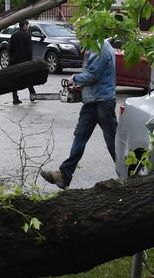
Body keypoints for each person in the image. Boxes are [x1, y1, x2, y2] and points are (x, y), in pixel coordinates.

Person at [40, 37, 117, 189]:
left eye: (82, 33)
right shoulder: (94, 45)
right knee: (80, 136)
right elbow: (93, 76)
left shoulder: (99, 46)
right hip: (92, 101)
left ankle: (129, 174)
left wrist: (73, 79)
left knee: (112, 141)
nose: (80, 38)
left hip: (102, 101)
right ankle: (64, 175)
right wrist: (80, 86)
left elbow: (92, 75)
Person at [8, 19, 36, 104]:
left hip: (15, 61)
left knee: (15, 80)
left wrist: (12, 58)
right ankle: (32, 94)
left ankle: (15, 98)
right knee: (28, 79)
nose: (28, 27)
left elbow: (10, 49)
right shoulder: (27, 36)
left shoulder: (14, 35)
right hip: (25, 61)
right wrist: (30, 60)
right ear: (24, 25)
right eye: (27, 25)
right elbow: (29, 50)